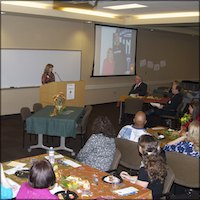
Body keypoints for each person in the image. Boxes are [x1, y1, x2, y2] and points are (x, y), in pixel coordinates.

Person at [120, 134, 167, 200]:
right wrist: (130, 178)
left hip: (147, 196)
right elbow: (146, 179)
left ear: (141, 148)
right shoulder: (158, 161)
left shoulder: (145, 168)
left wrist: (126, 183)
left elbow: (137, 190)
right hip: (154, 194)